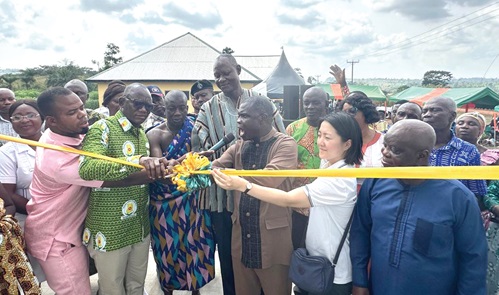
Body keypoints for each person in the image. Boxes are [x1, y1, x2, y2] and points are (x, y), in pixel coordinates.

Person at [25, 87, 166, 294]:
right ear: (52, 121)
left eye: (81, 107)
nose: (82, 114)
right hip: (56, 237)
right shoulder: (56, 159)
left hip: (79, 228)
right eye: (72, 113)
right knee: (77, 291)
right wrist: (152, 165)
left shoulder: (62, 134)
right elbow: (112, 179)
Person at [212, 111, 363, 295]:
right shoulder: (329, 165)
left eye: (328, 137)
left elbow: (288, 199)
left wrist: (244, 185)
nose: (320, 142)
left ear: (347, 144)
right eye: (320, 135)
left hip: (332, 273)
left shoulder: (339, 179)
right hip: (315, 264)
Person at [350, 119, 487, 295]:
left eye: (396, 150)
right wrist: (360, 281)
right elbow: (360, 232)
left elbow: (473, 258)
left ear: (422, 156)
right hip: (380, 287)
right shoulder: (376, 182)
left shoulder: (458, 197)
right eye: (385, 146)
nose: (385, 153)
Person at [192, 54, 285, 295]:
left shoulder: (262, 102)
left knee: (264, 256)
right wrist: (202, 157)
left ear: (239, 70)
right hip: (222, 196)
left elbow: (281, 138)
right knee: (230, 257)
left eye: (226, 73)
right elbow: (198, 146)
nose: (222, 79)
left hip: (262, 193)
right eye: (217, 76)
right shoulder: (208, 108)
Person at [79, 83, 169, 295]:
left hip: (138, 227)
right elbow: (88, 168)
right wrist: (137, 159)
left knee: (136, 286)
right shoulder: (102, 128)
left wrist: (171, 166)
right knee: (112, 288)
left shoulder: (141, 134)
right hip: (110, 228)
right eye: (138, 104)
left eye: (148, 106)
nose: (144, 110)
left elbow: (145, 174)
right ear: (121, 102)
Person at [206, 95, 297, 295]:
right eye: (238, 116)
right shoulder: (239, 145)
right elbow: (216, 167)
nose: (238, 121)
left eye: (244, 116)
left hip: (272, 241)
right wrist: (199, 165)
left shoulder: (285, 144)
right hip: (242, 240)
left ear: (263, 118)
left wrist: (234, 178)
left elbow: (269, 178)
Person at [147, 90, 215, 294]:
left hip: (191, 198)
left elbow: (204, 162)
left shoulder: (195, 129)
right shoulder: (154, 134)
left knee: (194, 244)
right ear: (164, 109)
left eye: (181, 108)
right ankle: (168, 287)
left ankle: (194, 286)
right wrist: (186, 158)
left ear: (187, 107)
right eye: (171, 108)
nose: (177, 113)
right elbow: (162, 170)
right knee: (166, 246)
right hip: (162, 202)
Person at [285, 87, 327, 259]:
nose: (310, 106)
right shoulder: (293, 129)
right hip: (296, 204)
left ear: (326, 103)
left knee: (318, 254)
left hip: (323, 204)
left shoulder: (333, 129)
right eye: (306, 102)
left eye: (316, 102)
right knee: (295, 250)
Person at [422, 97, 487, 198]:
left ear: (452, 116)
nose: (427, 114)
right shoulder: (413, 145)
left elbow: (477, 193)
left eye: (435, 110)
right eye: (424, 111)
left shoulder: (468, 150)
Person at [0, 100, 44, 227]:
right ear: (11, 121)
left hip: (69, 215)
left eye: (31, 115)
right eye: (17, 117)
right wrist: (40, 212)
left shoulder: (57, 145)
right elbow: (9, 194)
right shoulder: (6, 152)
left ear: (42, 117)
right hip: (28, 217)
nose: (24, 120)